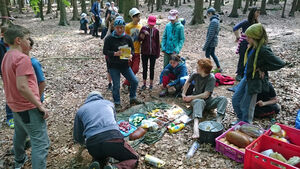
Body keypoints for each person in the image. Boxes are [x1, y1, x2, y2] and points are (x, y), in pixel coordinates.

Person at [1, 25, 50, 169]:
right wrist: (39, 105)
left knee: (20, 133)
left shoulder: (6, 56)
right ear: (18, 40)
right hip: (27, 107)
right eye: (27, 39)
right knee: (41, 144)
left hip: (15, 106)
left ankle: (19, 160)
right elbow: (22, 86)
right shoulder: (22, 59)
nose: (29, 42)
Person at [232, 23, 285, 124]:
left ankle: (246, 123)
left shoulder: (263, 50)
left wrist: (263, 68)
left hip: (255, 81)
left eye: (248, 36)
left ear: (255, 37)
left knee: (247, 106)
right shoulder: (252, 46)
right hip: (247, 77)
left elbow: (280, 63)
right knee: (236, 99)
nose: (246, 38)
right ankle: (241, 120)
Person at [73, 91, 139, 169]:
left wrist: (83, 144)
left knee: (101, 156)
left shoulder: (81, 110)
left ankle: (98, 163)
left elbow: (77, 135)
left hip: (92, 144)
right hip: (112, 139)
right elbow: (114, 122)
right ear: (100, 97)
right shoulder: (108, 103)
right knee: (134, 158)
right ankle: (116, 167)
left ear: (88, 99)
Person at [181, 58, 228, 139]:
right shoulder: (195, 74)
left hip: (207, 101)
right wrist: (183, 94)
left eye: (198, 67)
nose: (196, 68)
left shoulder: (211, 78)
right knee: (199, 102)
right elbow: (187, 82)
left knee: (223, 99)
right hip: (196, 101)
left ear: (203, 69)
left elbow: (206, 95)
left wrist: (191, 97)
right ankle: (196, 128)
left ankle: (218, 122)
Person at [103, 17, 142, 110]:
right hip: (113, 65)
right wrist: (115, 53)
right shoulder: (109, 38)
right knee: (116, 85)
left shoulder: (127, 37)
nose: (119, 29)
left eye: (121, 27)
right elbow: (105, 51)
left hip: (124, 65)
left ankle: (133, 98)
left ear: (124, 27)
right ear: (114, 27)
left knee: (134, 81)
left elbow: (132, 49)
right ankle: (117, 103)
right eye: (117, 28)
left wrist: (131, 55)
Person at [233, 7, 260, 81]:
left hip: (253, 44)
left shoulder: (256, 23)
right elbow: (235, 28)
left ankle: (246, 73)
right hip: (244, 44)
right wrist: (238, 37)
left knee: (250, 59)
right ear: (253, 12)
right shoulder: (246, 22)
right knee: (242, 58)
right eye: (257, 12)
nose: (258, 14)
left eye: (259, 12)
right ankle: (239, 74)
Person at [122, 8, 142, 90]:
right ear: (132, 17)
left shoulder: (141, 26)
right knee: (128, 69)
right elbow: (124, 39)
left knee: (135, 69)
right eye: (136, 16)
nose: (138, 18)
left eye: (139, 16)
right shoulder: (127, 26)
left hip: (137, 51)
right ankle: (128, 85)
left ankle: (126, 83)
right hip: (128, 51)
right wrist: (125, 53)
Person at [139, 15, 160, 90]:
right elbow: (139, 39)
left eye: (152, 24)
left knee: (152, 68)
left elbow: (157, 43)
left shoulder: (156, 31)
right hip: (144, 52)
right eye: (150, 24)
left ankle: (151, 84)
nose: (151, 26)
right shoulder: (143, 29)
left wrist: (157, 53)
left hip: (153, 53)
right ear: (148, 23)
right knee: (144, 68)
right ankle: (144, 84)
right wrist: (143, 33)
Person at [0, 25, 14, 128]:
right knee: (10, 93)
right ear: (3, 35)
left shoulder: (11, 44)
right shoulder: (1, 46)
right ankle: (10, 117)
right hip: (6, 73)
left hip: (14, 72)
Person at [203, 7, 222, 73]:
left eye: (208, 14)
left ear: (210, 13)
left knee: (207, 55)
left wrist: (205, 45)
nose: (207, 16)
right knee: (212, 54)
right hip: (213, 41)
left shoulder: (213, 21)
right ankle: (219, 67)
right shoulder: (215, 20)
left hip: (211, 42)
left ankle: (209, 69)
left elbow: (210, 35)